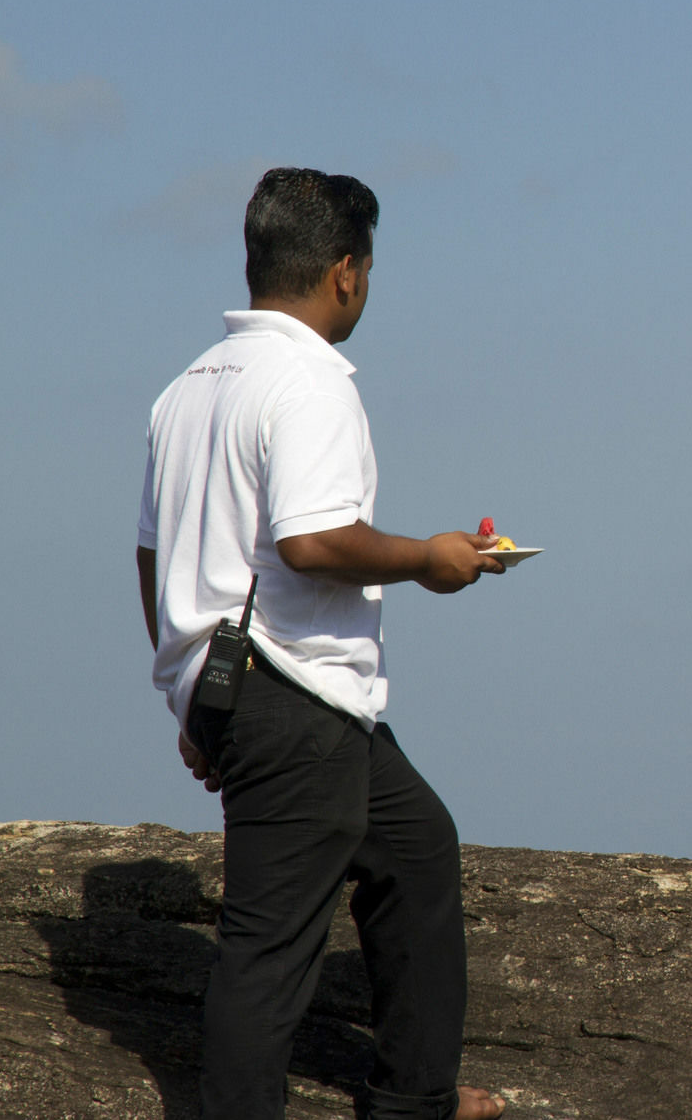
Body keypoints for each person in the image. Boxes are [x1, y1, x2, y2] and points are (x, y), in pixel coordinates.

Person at [136, 168, 508, 1120]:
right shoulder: (309, 380)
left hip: (250, 686)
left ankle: (415, 1096)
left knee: (417, 849)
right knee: (267, 949)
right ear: (344, 271)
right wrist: (429, 556)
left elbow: (154, 555)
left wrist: (185, 688)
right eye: (369, 269)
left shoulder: (188, 389)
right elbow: (311, 540)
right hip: (291, 691)